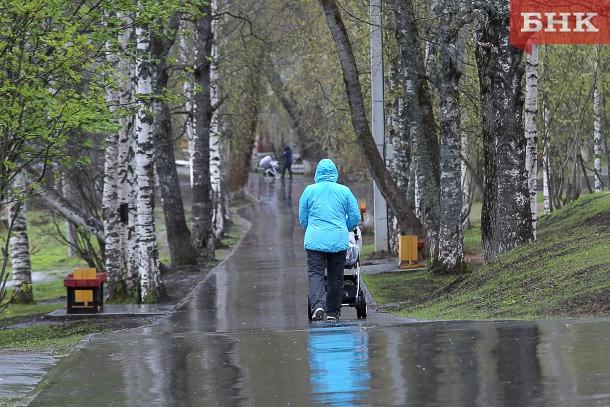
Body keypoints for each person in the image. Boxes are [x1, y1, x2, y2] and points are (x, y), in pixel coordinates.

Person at [299, 159, 361, 321]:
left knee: (315, 274)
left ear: (317, 173)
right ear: (335, 173)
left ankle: (318, 306)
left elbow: (303, 217)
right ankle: (333, 312)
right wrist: (346, 227)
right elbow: (355, 216)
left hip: (315, 240)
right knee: (336, 276)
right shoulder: (344, 191)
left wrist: (311, 229)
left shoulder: (309, 191)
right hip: (337, 239)